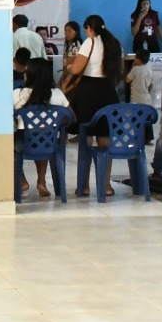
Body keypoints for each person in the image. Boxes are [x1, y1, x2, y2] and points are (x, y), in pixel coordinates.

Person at [65, 16, 122, 197]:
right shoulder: (115, 43)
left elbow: (76, 69)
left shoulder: (89, 43)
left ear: (89, 28)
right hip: (108, 92)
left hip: (89, 92)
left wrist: (69, 67)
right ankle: (106, 185)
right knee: (105, 140)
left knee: (86, 139)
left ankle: (84, 186)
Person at [13, 57, 67, 199]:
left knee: (7, 144)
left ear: (30, 75)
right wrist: (56, 124)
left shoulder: (17, 94)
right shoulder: (57, 94)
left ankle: (22, 181)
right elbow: (70, 115)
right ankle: (41, 181)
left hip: (23, 143)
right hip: (49, 142)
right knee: (43, 135)